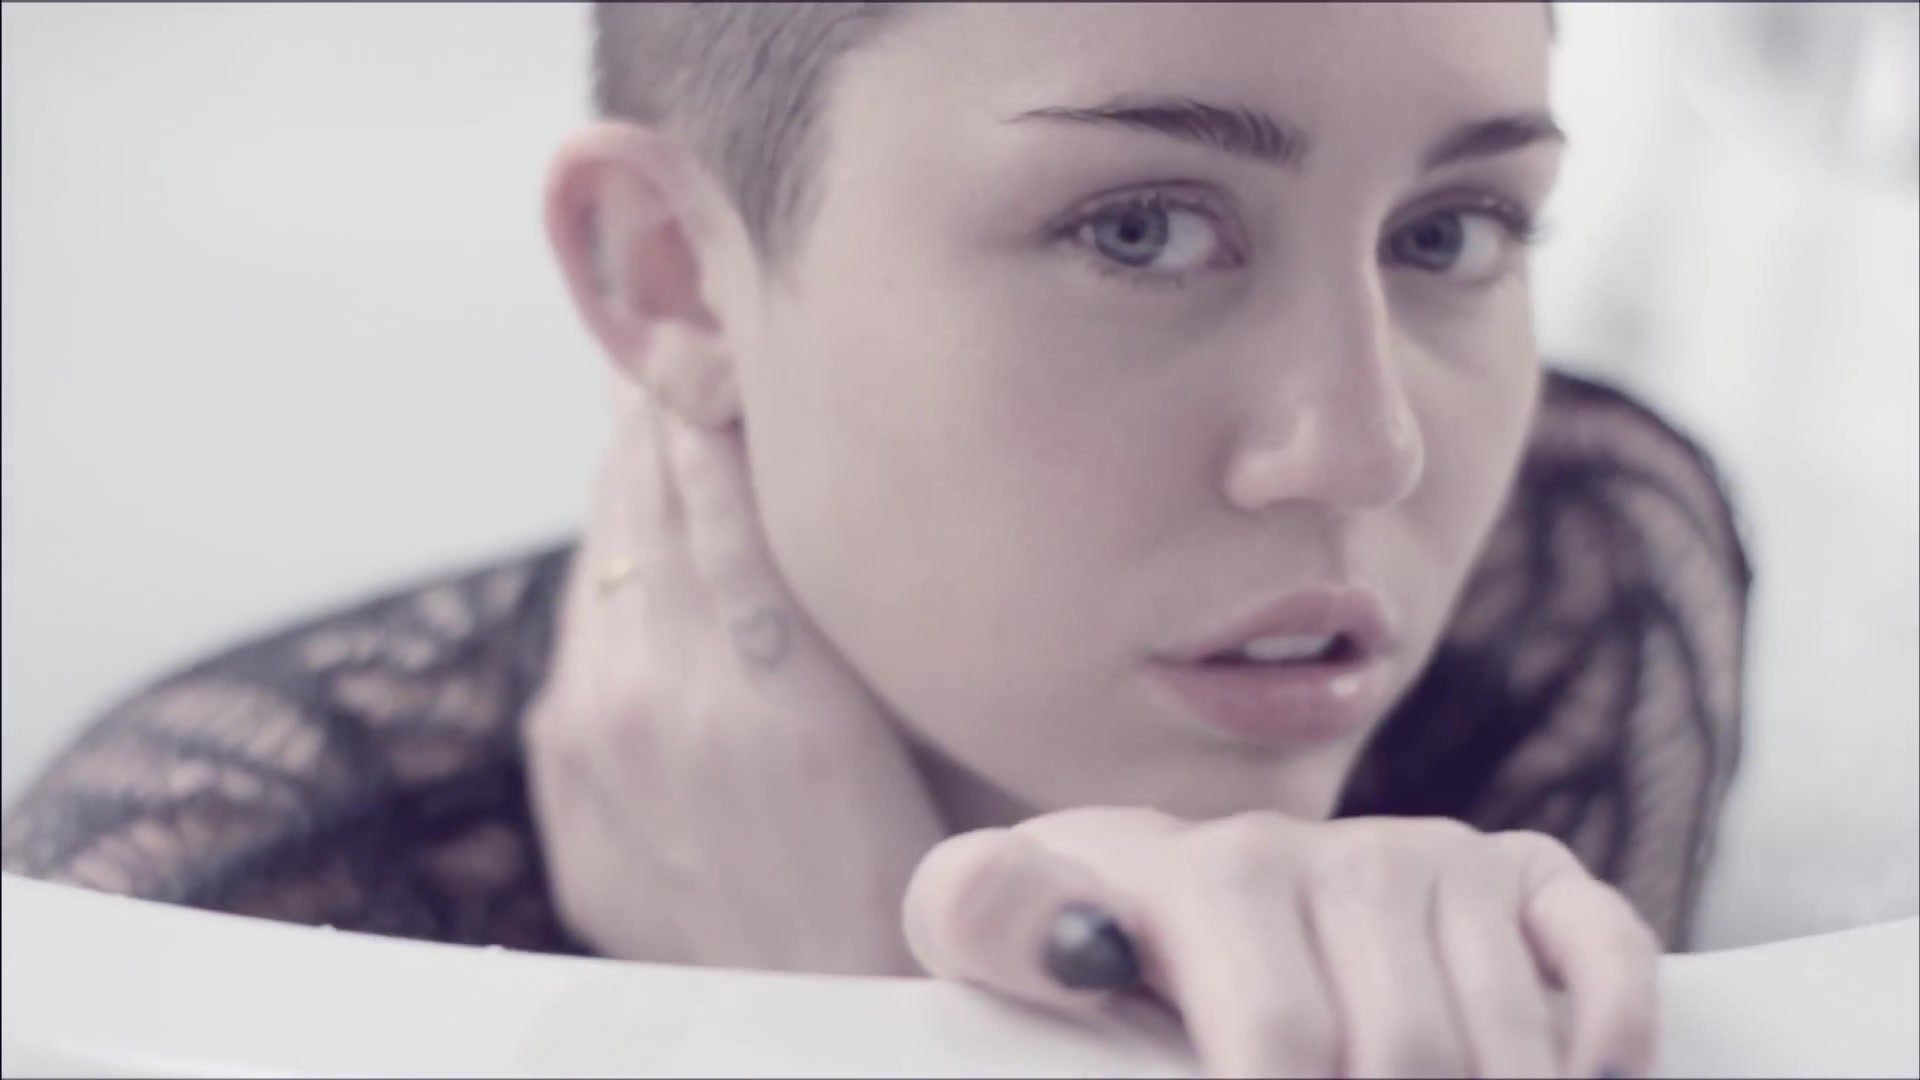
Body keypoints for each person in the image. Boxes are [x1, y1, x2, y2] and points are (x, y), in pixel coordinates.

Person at [2, 3, 1752, 1076]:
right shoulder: (214, 905)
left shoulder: (1571, 579)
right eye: (1141, 229)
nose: (1366, 453)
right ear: (670, 276)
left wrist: (866, 1011)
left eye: (1453, 233)